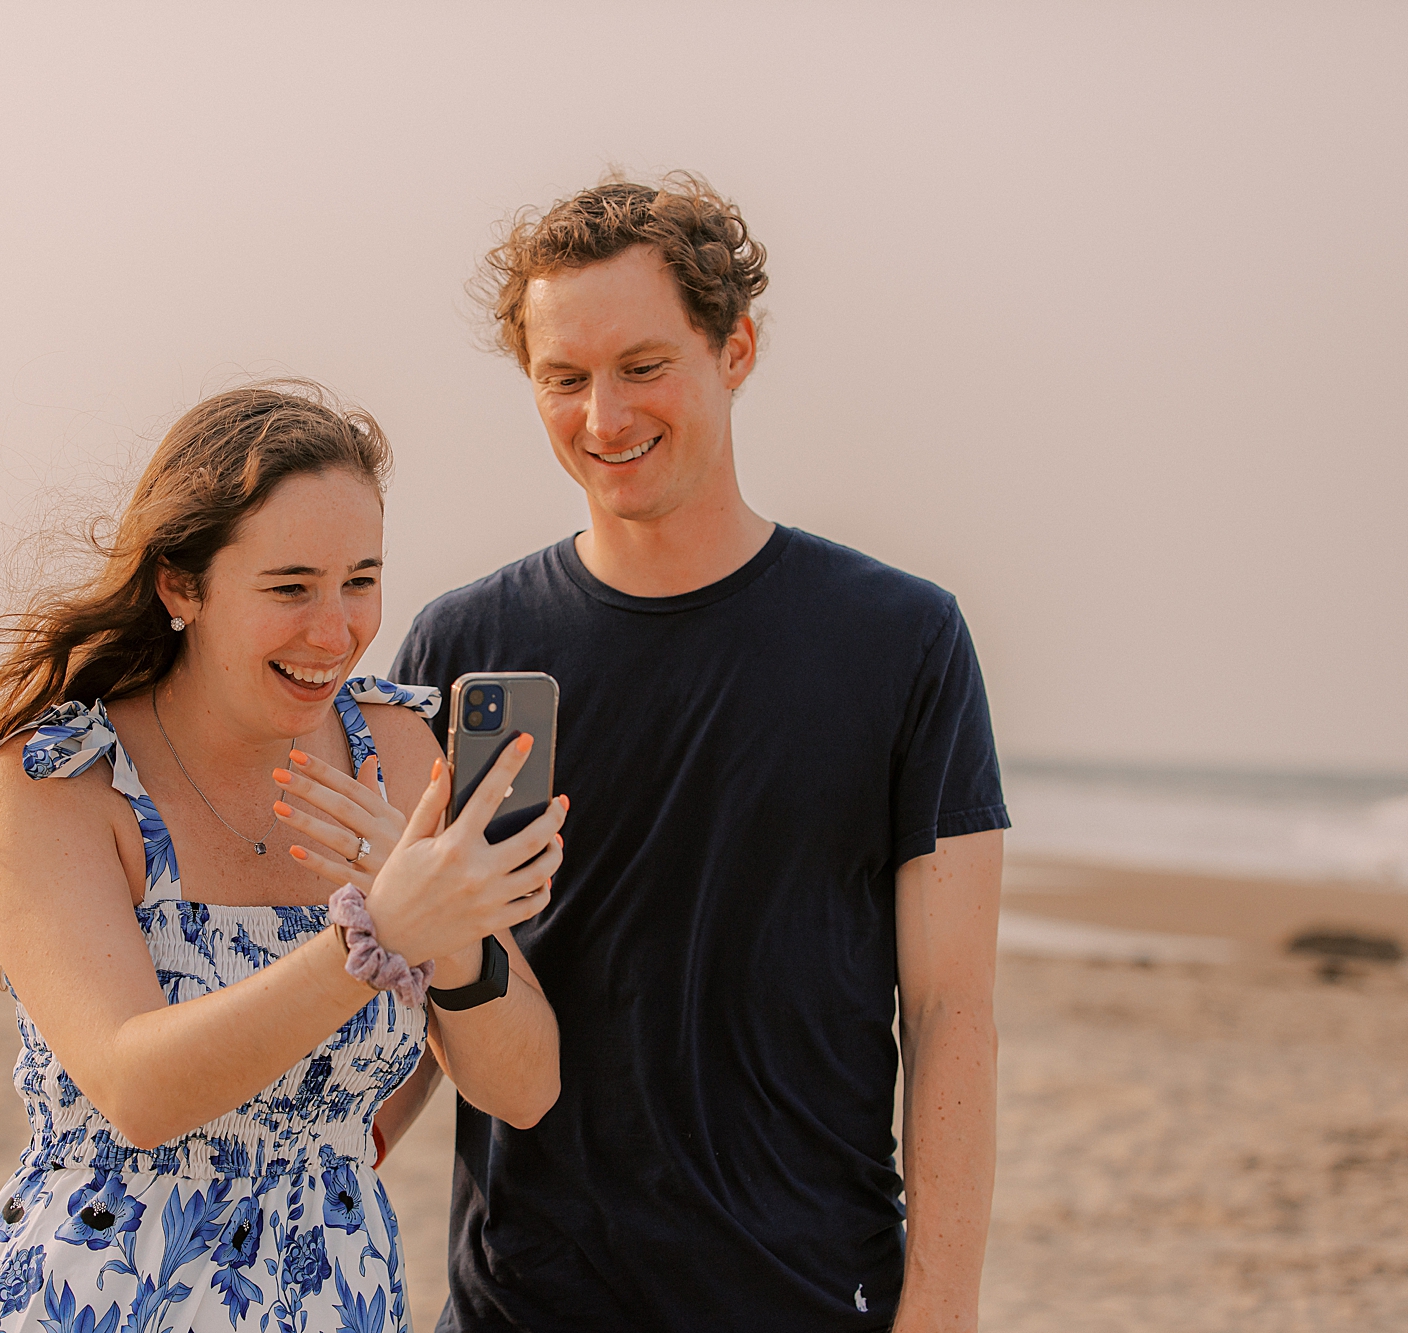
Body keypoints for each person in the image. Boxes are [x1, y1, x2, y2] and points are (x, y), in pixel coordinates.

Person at [387, 175, 1008, 1330]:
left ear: (736, 350)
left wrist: (941, 1310)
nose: (602, 418)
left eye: (642, 365)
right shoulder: (462, 647)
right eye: (561, 378)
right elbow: (421, 984)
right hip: (525, 1302)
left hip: (811, 1295)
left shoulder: (903, 640)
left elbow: (949, 1011)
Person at [0, 383, 566, 1333]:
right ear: (182, 585)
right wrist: (381, 931)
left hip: (337, 1294)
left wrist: (457, 940)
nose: (335, 628)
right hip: (96, 1296)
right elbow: (139, 1089)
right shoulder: (59, 779)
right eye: (290, 586)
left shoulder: (401, 752)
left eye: (361, 579)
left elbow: (525, 1086)